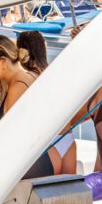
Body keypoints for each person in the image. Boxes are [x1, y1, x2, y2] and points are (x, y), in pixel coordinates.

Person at [0, 35, 62, 177]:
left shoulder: (18, 86)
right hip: (46, 153)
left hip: (35, 161)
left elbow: (14, 134)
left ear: (3, 62)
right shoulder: (28, 78)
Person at [16, 30, 76, 174]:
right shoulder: (57, 73)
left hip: (45, 142)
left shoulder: (26, 79)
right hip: (67, 137)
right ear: (44, 48)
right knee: (69, 191)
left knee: (46, 193)